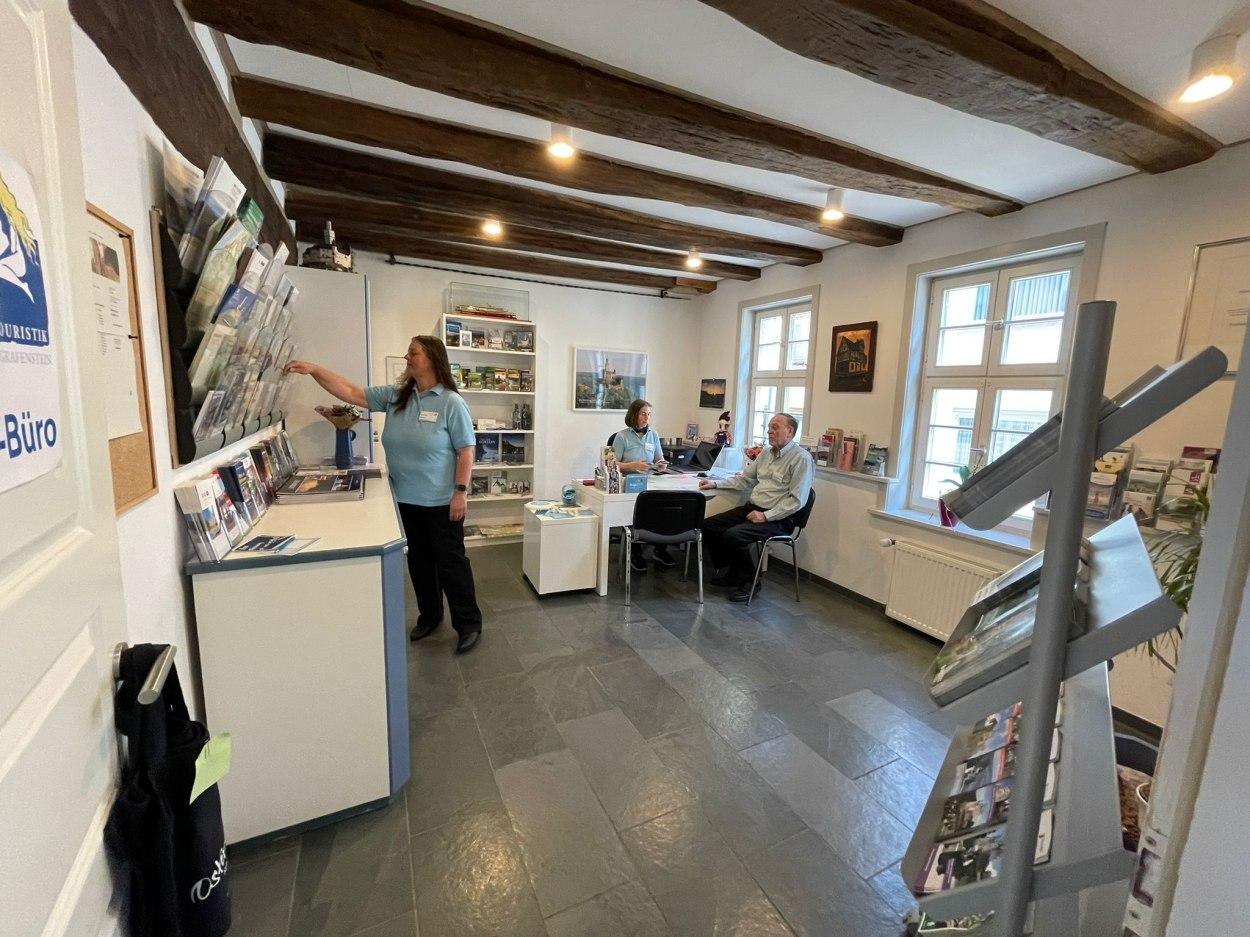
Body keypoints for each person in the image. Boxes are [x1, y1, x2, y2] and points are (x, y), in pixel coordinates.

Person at [285, 336, 483, 654]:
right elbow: (350, 391)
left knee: (451, 564)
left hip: (441, 501)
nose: (407, 357)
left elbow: (466, 450)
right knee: (419, 562)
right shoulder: (396, 396)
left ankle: (469, 624)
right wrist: (315, 370)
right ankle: (430, 616)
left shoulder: (451, 402)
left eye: (413, 352)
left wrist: (461, 491)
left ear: (433, 359)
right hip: (404, 498)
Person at [698, 412, 813, 602]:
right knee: (709, 525)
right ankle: (733, 572)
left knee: (734, 535)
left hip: (779, 518)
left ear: (790, 431)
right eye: (769, 428)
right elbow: (745, 479)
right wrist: (716, 484)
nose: (769, 431)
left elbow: (796, 500)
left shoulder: (801, 458)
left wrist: (766, 516)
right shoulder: (766, 453)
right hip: (754, 507)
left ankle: (751, 582)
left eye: (775, 427)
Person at [613, 398, 677, 573]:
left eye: (649, 414)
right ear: (634, 414)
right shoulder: (622, 437)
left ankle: (660, 548)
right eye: (643, 414)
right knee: (639, 512)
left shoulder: (653, 435)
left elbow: (658, 458)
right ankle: (635, 551)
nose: (646, 418)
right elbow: (613, 464)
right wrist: (632, 465)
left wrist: (661, 463)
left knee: (665, 507)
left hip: (651, 480)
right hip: (630, 482)